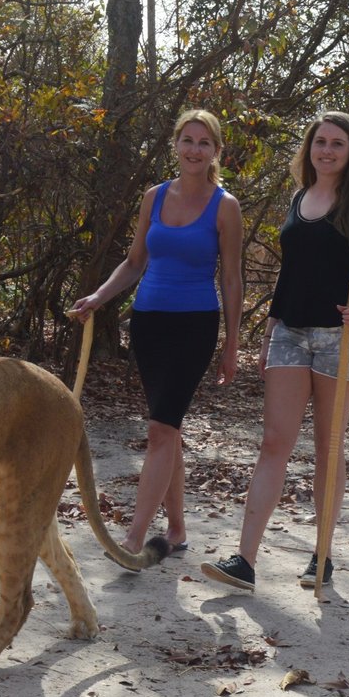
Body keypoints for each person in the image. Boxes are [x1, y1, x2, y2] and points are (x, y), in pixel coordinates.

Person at [201, 110, 349, 593]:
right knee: (274, 442)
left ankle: (323, 555)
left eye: (337, 144)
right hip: (291, 331)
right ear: (308, 149)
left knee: (328, 446)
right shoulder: (300, 197)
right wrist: (269, 330)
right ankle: (244, 561)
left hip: (345, 335)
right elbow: (291, 276)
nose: (326, 150)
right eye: (319, 142)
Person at [71, 109, 243, 559]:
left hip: (194, 326)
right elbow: (133, 263)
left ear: (216, 152)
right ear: (176, 144)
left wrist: (231, 344)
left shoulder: (225, 206)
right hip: (149, 323)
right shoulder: (154, 196)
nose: (194, 149)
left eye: (204, 143)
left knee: (160, 429)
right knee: (168, 430)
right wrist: (98, 298)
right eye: (187, 140)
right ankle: (179, 530)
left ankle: (133, 536)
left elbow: (231, 279)